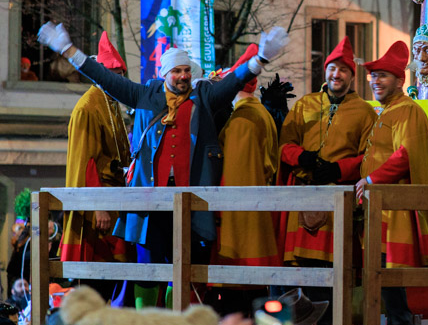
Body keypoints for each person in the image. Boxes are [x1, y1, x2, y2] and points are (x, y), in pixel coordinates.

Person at [36, 20, 290, 308]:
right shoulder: (145, 95)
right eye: (176, 71)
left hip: (192, 207)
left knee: (188, 276)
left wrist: (260, 59)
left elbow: (233, 81)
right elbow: (104, 78)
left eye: (185, 70)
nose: (183, 76)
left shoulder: (204, 96)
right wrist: (69, 50)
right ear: (164, 73)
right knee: (147, 273)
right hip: (151, 206)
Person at [278, 37, 375, 325]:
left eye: (343, 70)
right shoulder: (305, 104)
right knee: (298, 274)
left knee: (332, 272)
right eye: (332, 68)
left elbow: (369, 157)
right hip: (302, 196)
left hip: (337, 199)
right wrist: (302, 158)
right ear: (325, 72)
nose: (337, 75)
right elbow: (284, 146)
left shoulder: (365, 112)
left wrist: (338, 170)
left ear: (351, 76)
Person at [354, 40, 428, 325]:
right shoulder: (385, 111)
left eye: (382, 76)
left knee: (392, 280)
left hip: (394, 209)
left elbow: (405, 154)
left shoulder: (407, 109)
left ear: (400, 81)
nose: (375, 81)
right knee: (383, 277)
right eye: (373, 76)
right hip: (380, 208)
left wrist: (370, 180)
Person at [59, 32, 132, 301]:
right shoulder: (88, 107)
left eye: (121, 73)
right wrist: (96, 205)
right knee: (94, 286)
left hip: (113, 203)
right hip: (98, 210)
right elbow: (84, 161)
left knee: (110, 281)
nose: (119, 79)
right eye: (115, 73)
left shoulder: (111, 103)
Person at [209, 44, 280, 314]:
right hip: (258, 218)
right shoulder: (258, 113)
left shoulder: (242, 121)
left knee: (237, 311)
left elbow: (236, 180)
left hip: (239, 231)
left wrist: (221, 223)